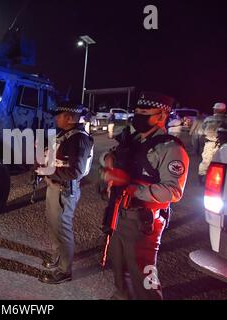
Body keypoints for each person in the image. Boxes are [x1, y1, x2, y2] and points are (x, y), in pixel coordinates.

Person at [101, 92, 189, 300]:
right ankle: (121, 296)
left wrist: (132, 188)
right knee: (119, 264)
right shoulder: (132, 139)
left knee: (144, 272)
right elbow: (108, 157)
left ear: (161, 116)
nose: (138, 116)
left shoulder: (171, 148)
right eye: (137, 112)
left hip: (144, 220)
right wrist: (108, 162)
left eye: (144, 113)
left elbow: (173, 191)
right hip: (120, 212)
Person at [35, 102, 94, 284]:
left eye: (59, 115)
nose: (55, 117)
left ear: (69, 118)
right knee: (55, 226)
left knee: (62, 229)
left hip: (64, 190)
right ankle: (58, 258)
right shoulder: (65, 134)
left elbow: (75, 171)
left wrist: (47, 171)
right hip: (55, 186)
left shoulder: (79, 139)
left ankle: (64, 271)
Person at [198, 102, 227, 185]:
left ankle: (202, 180)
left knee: (206, 162)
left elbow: (200, 132)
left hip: (210, 144)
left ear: (215, 110)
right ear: (224, 110)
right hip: (224, 145)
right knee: (222, 162)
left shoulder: (208, 119)